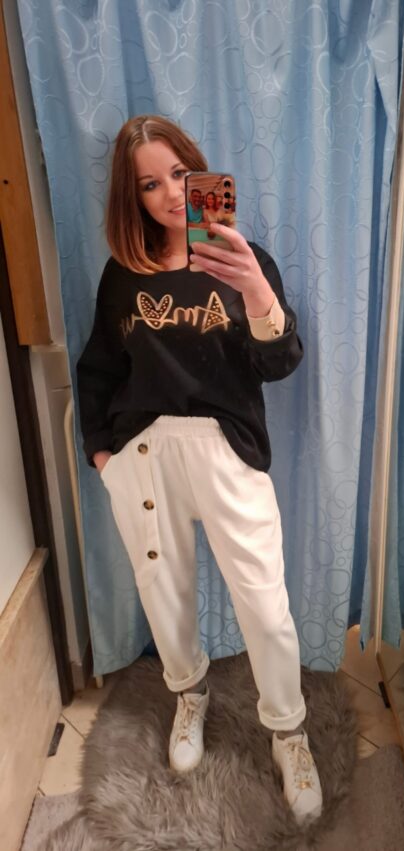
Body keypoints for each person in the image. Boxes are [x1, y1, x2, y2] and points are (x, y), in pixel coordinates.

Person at [76, 114, 323, 825]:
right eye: (148, 184)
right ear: (131, 196)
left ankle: (289, 731)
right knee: (164, 594)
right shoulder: (123, 274)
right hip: (143, 456)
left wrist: (258, 292)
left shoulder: (242, 258)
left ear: (201, 172)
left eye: (180, 174)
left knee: (264, 603)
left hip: (227, 451)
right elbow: (99, 369)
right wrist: (103, 454)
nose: (168, 194)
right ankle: (190, 693)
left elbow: (280, 362)